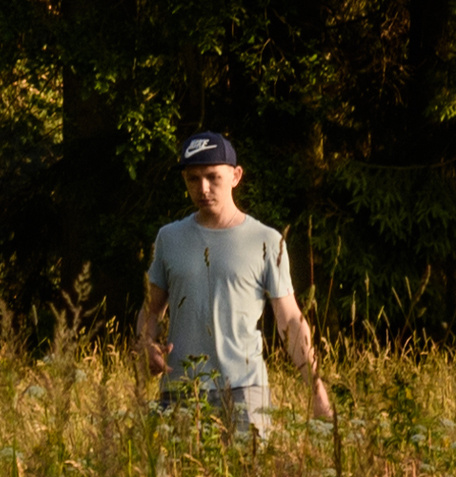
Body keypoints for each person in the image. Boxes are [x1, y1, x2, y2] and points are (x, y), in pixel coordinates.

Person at [136, 131, 333, 434]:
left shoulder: (265, 240)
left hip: (244, 391)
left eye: (213, 177)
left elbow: (290, 320)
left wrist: (316, 391)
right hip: (180, 389)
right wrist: (146, 344)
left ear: (236, 176)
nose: (203, 188)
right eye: (192, 179)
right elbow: (151, 309)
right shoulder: (169, 238)